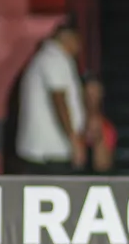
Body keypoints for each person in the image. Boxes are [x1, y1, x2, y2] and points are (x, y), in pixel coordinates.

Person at [16, 22, 86, 174]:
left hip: (43, 150)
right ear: (68, 39)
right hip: (50, 151)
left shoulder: (44, 58)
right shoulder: (54, 59)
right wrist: (73, 139)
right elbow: (59, 99)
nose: (79, 48)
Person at [82, 74, 117, 174]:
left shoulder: (107, 127)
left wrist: (98, 139)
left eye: (95, 93)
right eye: (88, 93)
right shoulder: (72, 122)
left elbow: (103, 166)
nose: (91, 98)